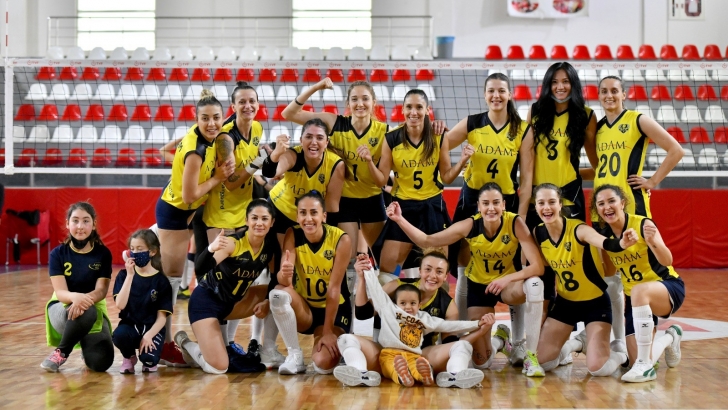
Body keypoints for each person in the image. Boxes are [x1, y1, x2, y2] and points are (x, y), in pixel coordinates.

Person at [386, 182, 546, 376]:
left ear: (504, 205)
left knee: (535, 284)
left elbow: (537, 266)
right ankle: (500, 340)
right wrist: (399, 219)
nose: (491, 208)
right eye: (485, 203)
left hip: (507, 286)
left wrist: (507, 279)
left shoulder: (515, 223)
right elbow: (427, 240)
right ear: (478, 206)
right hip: (479, 287)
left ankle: (531, 356)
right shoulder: (470, 225)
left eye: (496, 202)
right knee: (482, 363)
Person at [443, 73, 535, 365]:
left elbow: (528, 177)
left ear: (509, 94)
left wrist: (521, 214)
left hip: (504, 202)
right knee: (463, 269)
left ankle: (518, 343)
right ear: (485, 95)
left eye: (501, 91)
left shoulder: (522, 129)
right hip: (472, 199)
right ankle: (464, 336)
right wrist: (452, 150)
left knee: (515, 269)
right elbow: (441, 144)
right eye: (491, 91)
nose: (496, 95)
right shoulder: (472, 123)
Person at [594, 75, 684, 352]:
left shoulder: (637, 120)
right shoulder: (598, 128)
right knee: (612, 275)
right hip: (603, 209)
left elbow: (676, 150)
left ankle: (650, 333)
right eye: (604, 91)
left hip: (631, 205)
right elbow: (601, 168)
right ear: (599, 95)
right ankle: (622, 340)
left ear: (624, 94)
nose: (609, 95)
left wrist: (653, 181)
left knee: (645, 270)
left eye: (614, 90)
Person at [154, 89, 235, 365]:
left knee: (178, 275)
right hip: (175, 211)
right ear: (196, 118)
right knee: (171, 280)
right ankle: (163, 345)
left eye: (216, 118)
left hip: (186, 210)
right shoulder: (195, 151)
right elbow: (189, 197)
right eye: (205, 118)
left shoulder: (207, 135)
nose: (212, 123)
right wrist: (218, 177)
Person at [335, 250, 494, 388]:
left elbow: (450, 343)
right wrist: (362, 277)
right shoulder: (397, 286)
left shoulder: (448, 306)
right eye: (428, 269)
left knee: (463, 346)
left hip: (422, 357)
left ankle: (455, 376)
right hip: (385, 353)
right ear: (419, 271)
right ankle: (360, 373)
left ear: (446, 276)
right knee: (346, 339)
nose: (432, 276)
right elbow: (363, 313)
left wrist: (481, 331)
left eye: (439, 271)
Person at [359, 89, 469, 282]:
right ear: (402, 109)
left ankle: (434, 302)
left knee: (437, 271)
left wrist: (461, 162)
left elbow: (446, 177)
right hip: (403, 208)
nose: (414, 112)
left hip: (432, 206)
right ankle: (394, 302)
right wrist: (369, 162)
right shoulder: (392, 138)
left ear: (427, 110)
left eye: (419, 107)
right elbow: (381, 180)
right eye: (409, 107)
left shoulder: (438, 136)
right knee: (386, 274)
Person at [531, 183, 636, 377]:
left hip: (595, 304)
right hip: (565, 305)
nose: (547, 208)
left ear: (560, 204)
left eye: (552, 202)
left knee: (598, 369)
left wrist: (620, 243)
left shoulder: (579, 229)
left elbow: (603, 242)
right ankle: (578, 343)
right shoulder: (538, 233)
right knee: (542, 362)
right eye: (541, 203)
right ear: (535, 207)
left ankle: (621, 355)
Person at [175, 199, 282, 374]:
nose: (259, 223)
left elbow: (274, 279)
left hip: (232, 305)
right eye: (254, 218)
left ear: (272, 222)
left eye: (264, 218)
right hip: (206, 303)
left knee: (279, 295)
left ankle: (267, 349)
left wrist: (267, 302)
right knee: (219, 367)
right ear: (246, 220)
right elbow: (201, 268)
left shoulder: (269, 248)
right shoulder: (233, 243)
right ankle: (186, 343)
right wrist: (211, 248)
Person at [591, 184, 685, 383]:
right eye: (601, 204)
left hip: (666, 287)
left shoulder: (642, 224)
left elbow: (667, 260)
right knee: (637, 361)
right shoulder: (605, 237)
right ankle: (671, 337)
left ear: (622, 203)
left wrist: (652, 241)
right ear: (597, 209)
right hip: (635, 301)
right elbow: (610, 272)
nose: (607, 207)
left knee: (639, 290)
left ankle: (645, 367)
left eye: (611, 201)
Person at [267, 191, 352, 375]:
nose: (308, 218)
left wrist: (328, 331)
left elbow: (334, 289)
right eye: (303, 213)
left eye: (314, 212)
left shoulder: (341, 239)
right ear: (297, 216)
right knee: (278, 293)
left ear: (324, 216)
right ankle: (295, 355)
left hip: (333, 310)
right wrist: (284, 273)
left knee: (322, 364)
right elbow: (284, 282)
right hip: (306, 309)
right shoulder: (293, 234)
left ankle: (342, 342)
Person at [41, 202, 113, 373]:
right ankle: (62, 352)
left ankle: (82, 339)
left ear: (94, 224)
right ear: (68, 224)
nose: (80, 226)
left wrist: (84, 300)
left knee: (101, 363)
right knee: (87, 311)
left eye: (86, 221)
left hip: (92, 307)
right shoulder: (57, 254)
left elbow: (101, 290)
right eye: (75, 221)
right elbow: (60, 292)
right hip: (62, 308)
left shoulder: (103, 254)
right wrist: (75, 298)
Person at [262, 119, 346, 248]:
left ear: (326, 142)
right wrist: (276, 153)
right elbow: (269, 172)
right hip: (280, 209)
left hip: (308, 217)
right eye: (309, 137)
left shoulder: (335, 164)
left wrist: (327, 241)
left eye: (319, 138)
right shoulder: (293, 155)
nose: (314, 142)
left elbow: (332, 208)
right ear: (301, 140)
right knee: (279, 257)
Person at [112, 229, 173, 374]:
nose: (135, 253)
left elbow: (161, 318)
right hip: (130, 326)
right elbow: (120, 304)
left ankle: (148, 356)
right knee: (119, 336)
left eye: (140, 249)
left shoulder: (161, 281)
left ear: (152, 252)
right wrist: (130, 276)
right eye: (132, 249)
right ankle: (129, 357)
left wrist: (149, 335)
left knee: (149, 361)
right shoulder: (123, 275)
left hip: (152, 328)